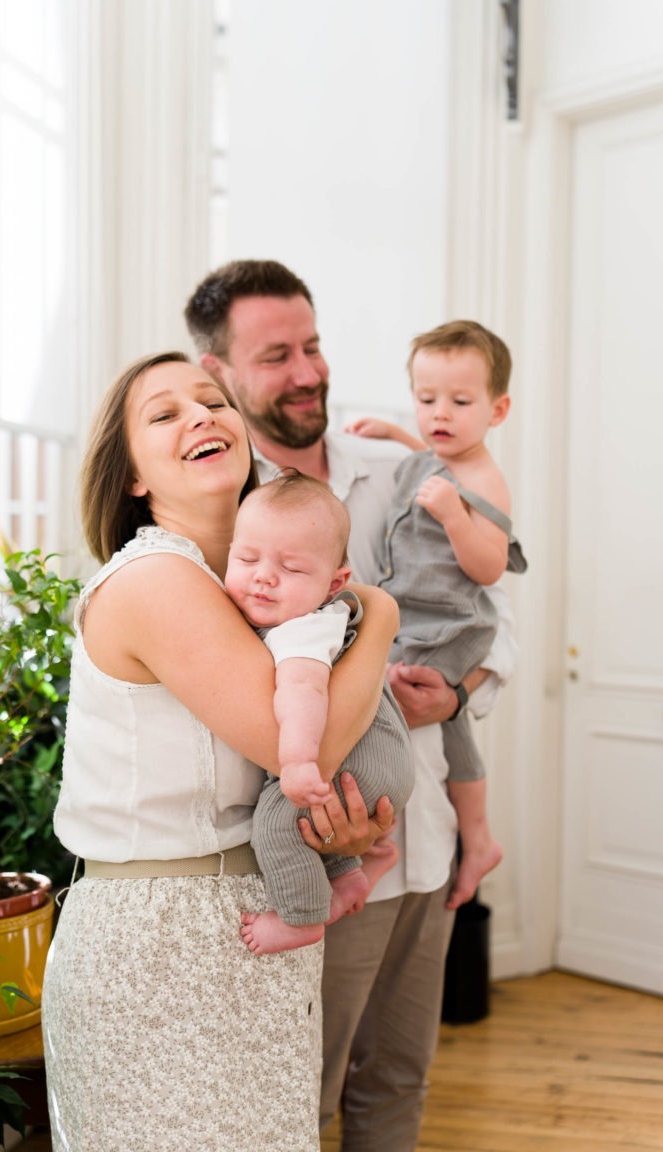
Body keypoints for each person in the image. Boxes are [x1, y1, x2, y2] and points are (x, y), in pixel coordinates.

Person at [185, 261, 519, 1151]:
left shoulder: (409, 466)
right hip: (325, 855)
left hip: (427, 840)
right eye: (276, 355)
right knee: (305, 1092)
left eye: (314, 344)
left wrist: (458, 689)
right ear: (218, 374)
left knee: (400, 1081)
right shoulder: (223, 517)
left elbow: (495, 619)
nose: (308, 372)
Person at [41, 351, 400, 1152]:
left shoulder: (260, 595)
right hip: (157, 943)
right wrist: (377, 613)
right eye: (164, 414)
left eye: (212, 401)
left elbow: (297, 770)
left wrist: (332, 832)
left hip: (250, 919)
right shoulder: (154, 582)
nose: (202, 415)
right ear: (131, 475)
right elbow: (288, 741)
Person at [346, 320, 527, 909]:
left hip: (453, 620)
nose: (439, 414)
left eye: (459, 401)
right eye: (426, 401)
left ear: (497, 411)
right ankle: (474, 838)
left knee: (405, 706)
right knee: (441, 720)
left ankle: (454, 835)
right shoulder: (435, 459)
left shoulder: (483, 480)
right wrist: (396, 434)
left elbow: (490, 566)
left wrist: (455, 516)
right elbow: (426, 457)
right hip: (416, 614)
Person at [225, 470, 414, 955]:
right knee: (302, 817)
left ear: (335, 583)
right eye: (247, 558)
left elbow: (303, 691)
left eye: (290, 568)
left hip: (362, 760)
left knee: (275, 821)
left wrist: (301, 761)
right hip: (381, 757)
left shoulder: (302, 631)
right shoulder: (309, 617)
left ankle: (301, 919)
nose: (264, 575)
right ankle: (349, 878)